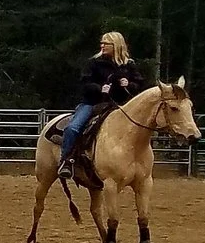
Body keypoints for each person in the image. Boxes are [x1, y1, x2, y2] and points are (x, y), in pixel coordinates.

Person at [62, 31, 146, 168]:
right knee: (72, 128)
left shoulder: (128, 65)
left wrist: (129, 84)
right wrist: (99, 88)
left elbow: (140, 84)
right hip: (93, 103)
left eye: (106, 43)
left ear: (116, 45)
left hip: (120, 106)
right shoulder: (94, 64)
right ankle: (66, 160)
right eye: (101, 42)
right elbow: (84, 83)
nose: (102, 45)